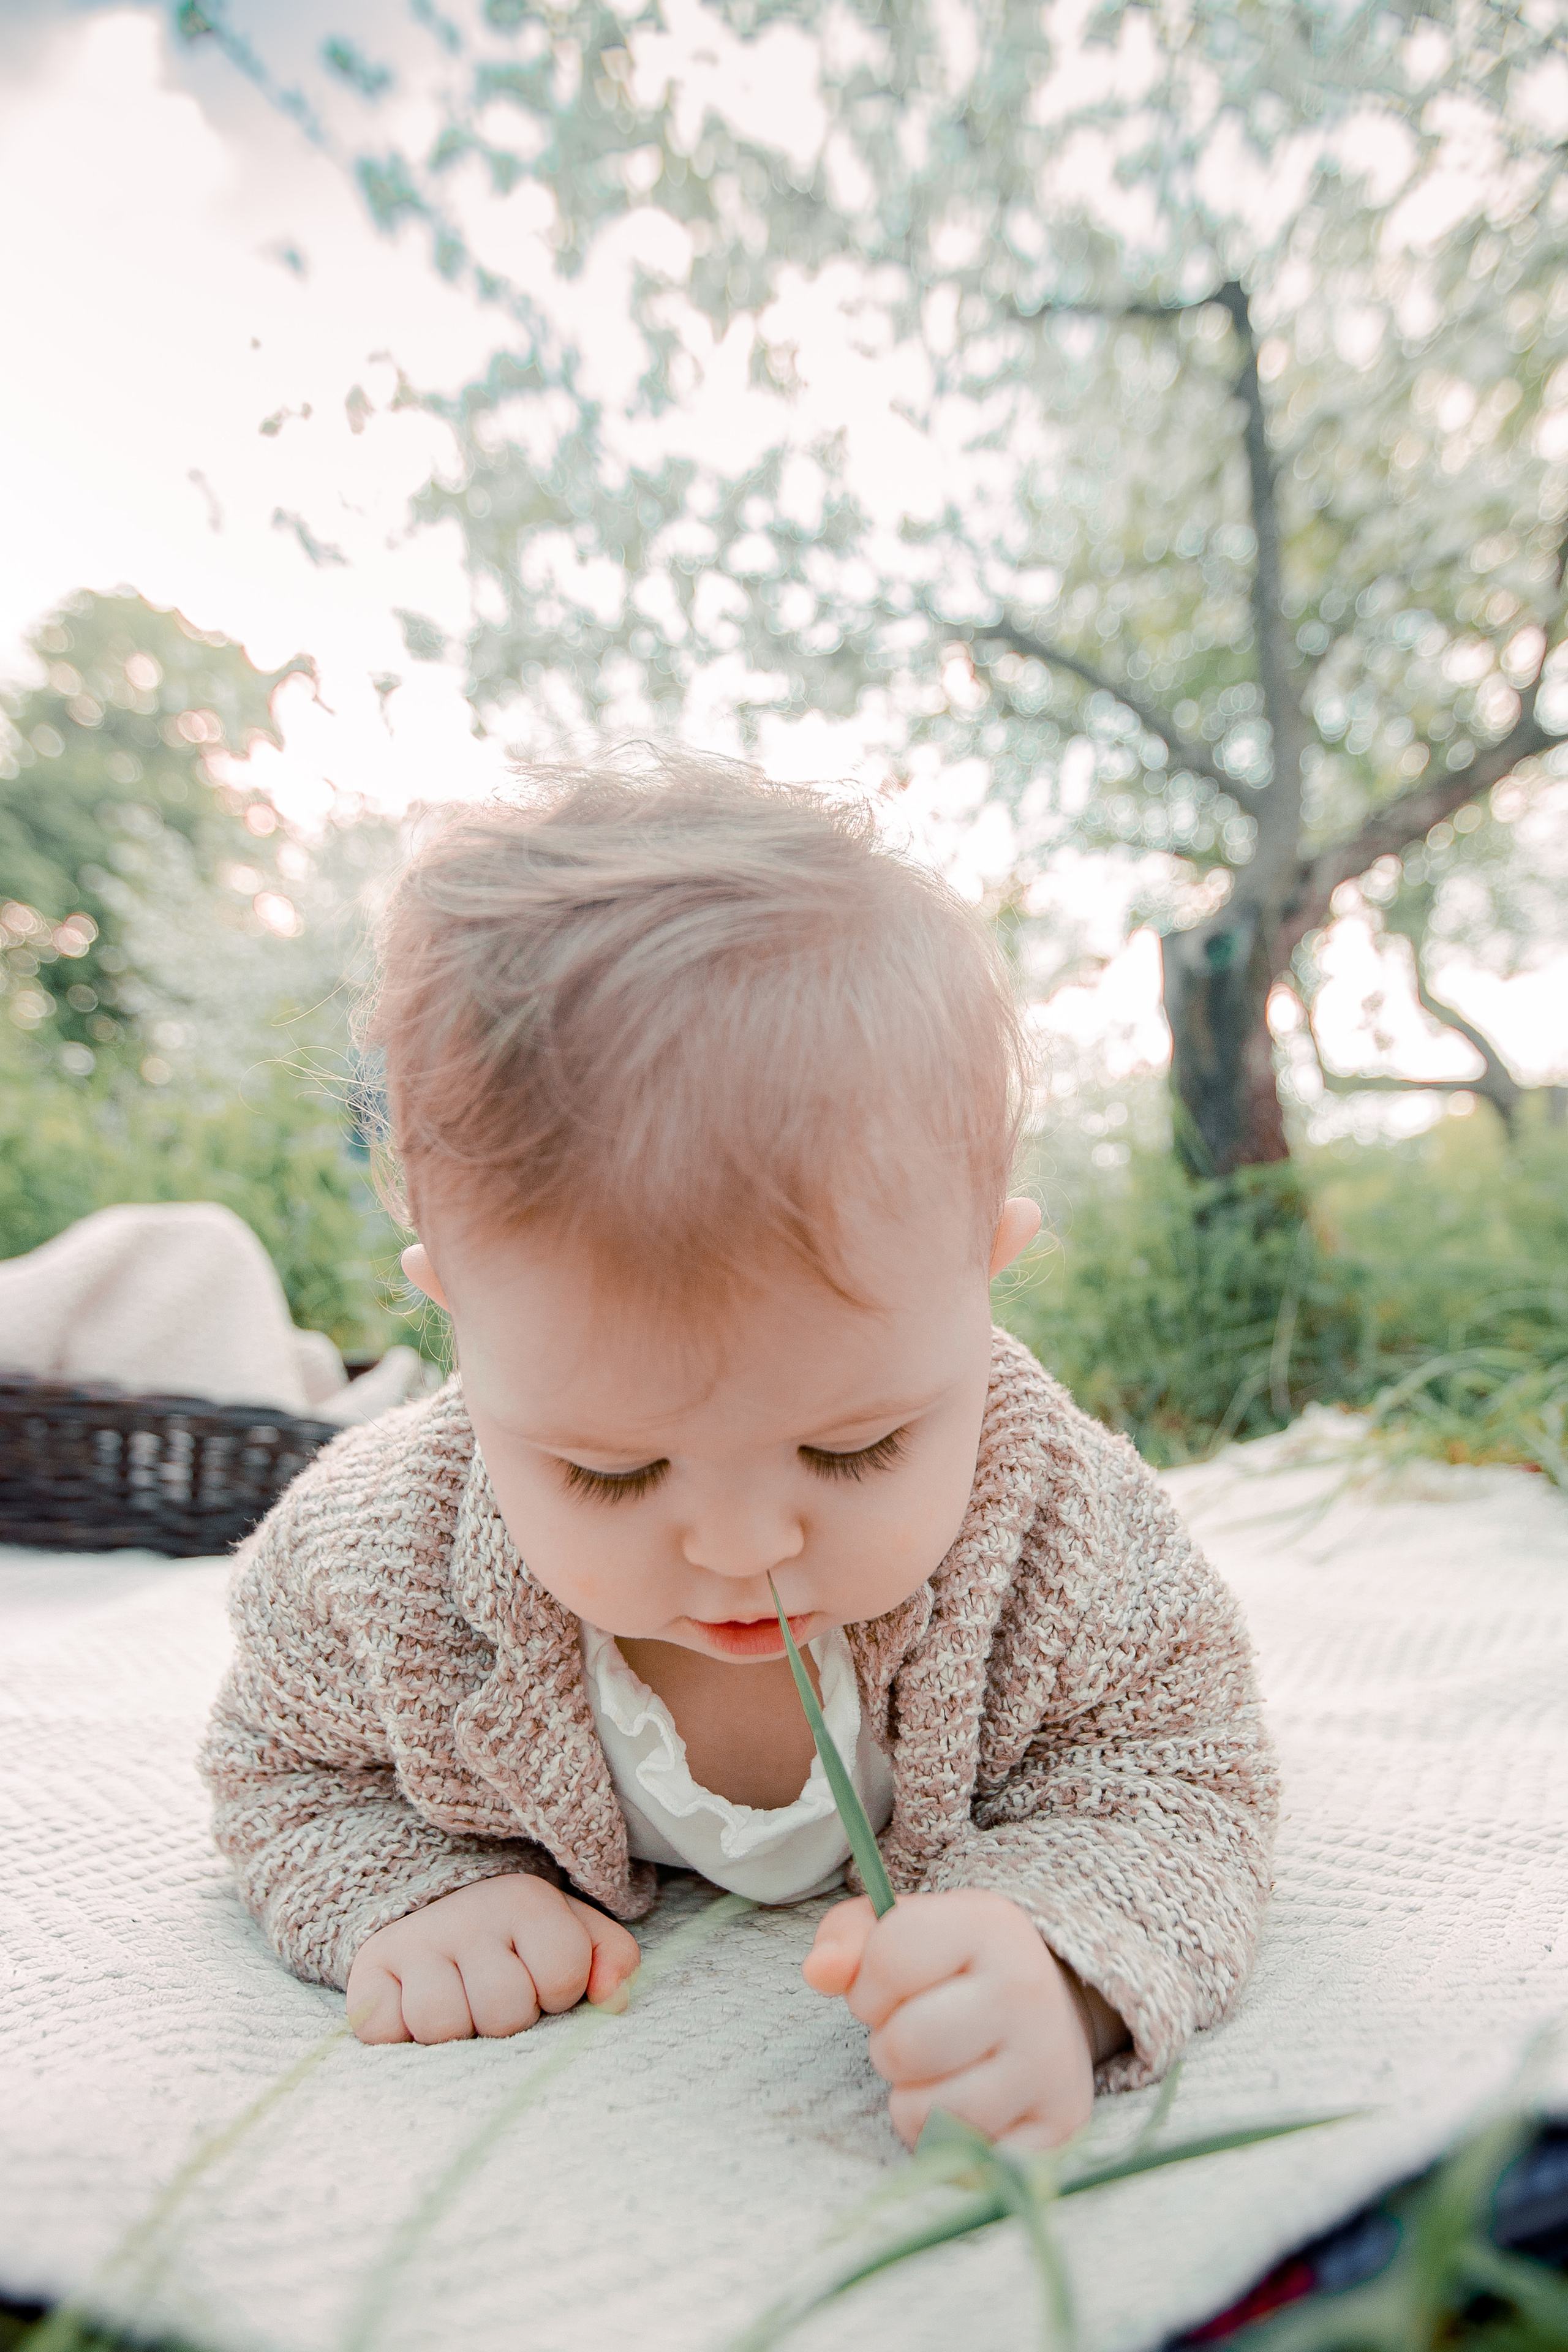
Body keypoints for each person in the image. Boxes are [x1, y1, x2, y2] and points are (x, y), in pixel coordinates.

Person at [200, 756, 1278, 2152]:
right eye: (610, 1471)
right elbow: (283, 1772)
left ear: (981, 1274)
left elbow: (1180, 1778)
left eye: (853, 1447)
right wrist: (406, 1893)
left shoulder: (1066, 1531)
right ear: (455, 1320)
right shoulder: (371, 1559)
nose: (739, 1544)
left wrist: (1059, 1956)